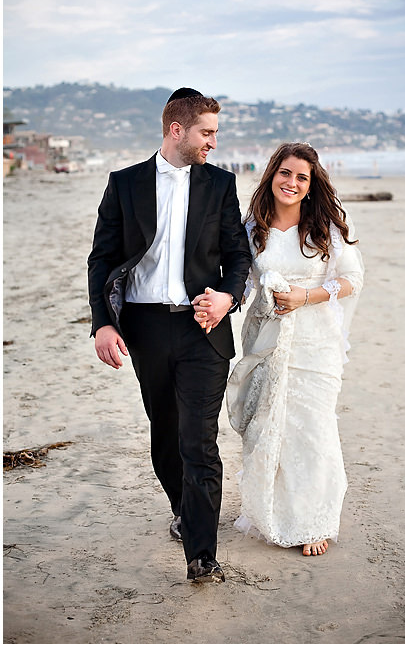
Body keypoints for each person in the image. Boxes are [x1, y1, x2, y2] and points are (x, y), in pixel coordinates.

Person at [87, 88, 252, 582]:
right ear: (176, 130)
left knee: (198, 440)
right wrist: (103, 321)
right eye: (207, 132)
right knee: (165, 434)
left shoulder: (221, 185)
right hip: (146, 328)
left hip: (203, 327)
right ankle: (184, 511)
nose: (214, 143)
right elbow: (102, 258)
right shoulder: (125, 183)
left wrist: (227, 297)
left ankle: (202, 555)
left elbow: (238, 256)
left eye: (216, 133)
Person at [222, 142, 364, 557]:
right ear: (273, 175)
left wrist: (307, 296)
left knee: (312, 427)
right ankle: (269, 511)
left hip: (315, 342)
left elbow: (353, 279)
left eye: (301, 177)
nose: (292, 182)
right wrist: (224, 300)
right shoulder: (253, 227)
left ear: (310, 184)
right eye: (286, 173)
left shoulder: (327, 225)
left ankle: (314, 520)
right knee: (267, 426)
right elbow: (245, 282)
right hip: (265, 339)